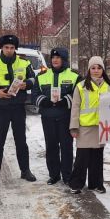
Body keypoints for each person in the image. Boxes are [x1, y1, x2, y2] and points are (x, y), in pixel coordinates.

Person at [0, 34, 37, 190]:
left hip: (18, 107)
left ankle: (25, 171)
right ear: (1, 48)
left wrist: (27, 84)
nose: (9, 50)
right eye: (6, 47)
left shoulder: (24, 63)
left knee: (21, 142)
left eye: (12, 48)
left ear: (15, 49)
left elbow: (34, 79)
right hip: (1, 108)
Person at [32, 47, 80, 186]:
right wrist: (44, 101)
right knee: (51, 147)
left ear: (64, 60)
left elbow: (78, 94)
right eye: (53, 58)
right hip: (48, 118)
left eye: (58, 58)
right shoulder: (41, 76)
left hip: (66, 117)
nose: (55, 60)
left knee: (66, 147)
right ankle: (54, 175)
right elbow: (34, 94)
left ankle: (67, 175)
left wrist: (66, 101)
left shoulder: (74, 76)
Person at [69, 56, 110, 194]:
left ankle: (96, 184)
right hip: (84, 128)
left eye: (99, 68)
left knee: (97, 158)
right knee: (82, 159)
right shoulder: (81, 86)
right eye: (93, 68)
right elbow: (75, 107)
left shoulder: (109, 87)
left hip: (101, 128)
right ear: (89, 69)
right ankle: (76, 184)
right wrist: (74, 127)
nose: (96, 70)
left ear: (103, 70)